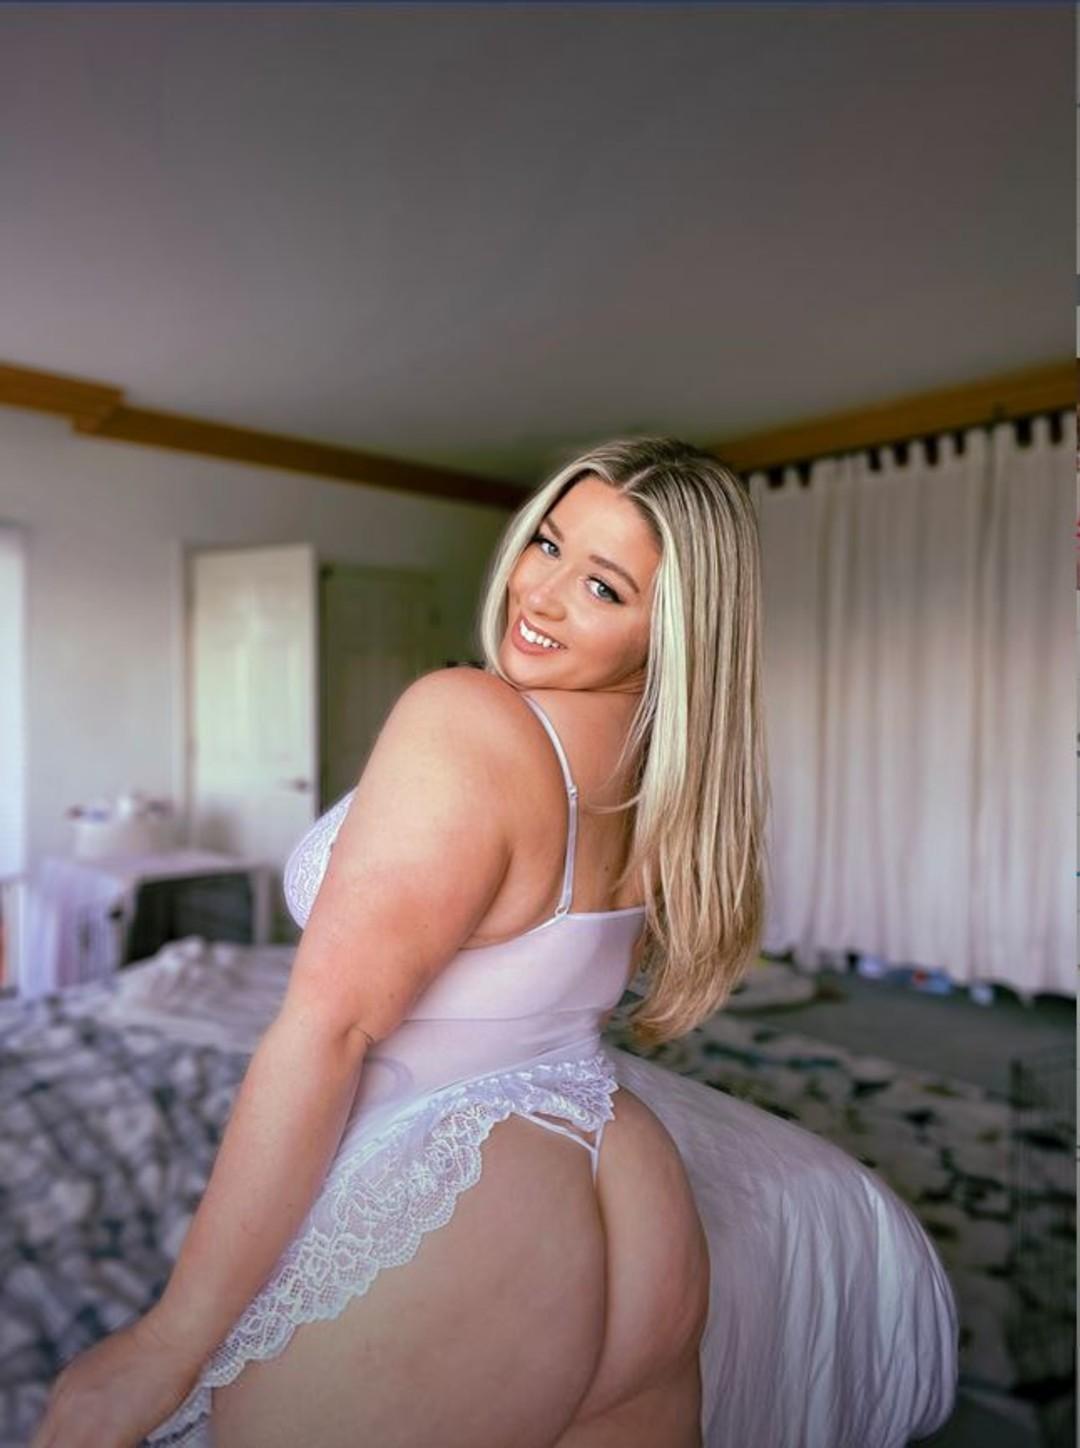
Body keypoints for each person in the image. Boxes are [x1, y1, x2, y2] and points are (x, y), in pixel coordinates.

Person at [30, 436, 768, 1448]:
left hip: (463, 1173)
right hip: (622, 1170)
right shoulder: (661, 770)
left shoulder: (466, 718)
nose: (541, 594)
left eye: (602, 587)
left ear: (673, 630)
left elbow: (327, 1029)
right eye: (548, 543)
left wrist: (168, 1338)